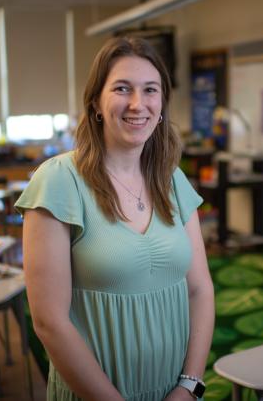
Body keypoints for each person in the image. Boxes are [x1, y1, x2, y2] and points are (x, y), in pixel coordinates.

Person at [15, 36, 214, 401]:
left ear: (162, 102)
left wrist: (190, 386)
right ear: (96, 104)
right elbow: (48, 322)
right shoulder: (59, 181)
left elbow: (200, 289)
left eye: (150, 90)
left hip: (174, 391)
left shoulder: (172, 179)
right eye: (123, 88)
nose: (138, 104)